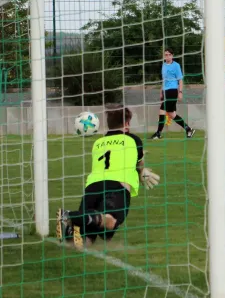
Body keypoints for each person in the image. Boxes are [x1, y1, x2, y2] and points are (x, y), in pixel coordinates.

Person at [56, 104, 161, 248]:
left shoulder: (98, 143)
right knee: (110, 221)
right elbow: (139, 165)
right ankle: (70, 216)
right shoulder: (133, 140)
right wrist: (142, 172)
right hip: (117, 187)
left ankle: (71, 227)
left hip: (92, 187)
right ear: (127, 123)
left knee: (84, 240)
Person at [151, 47, 195, 139]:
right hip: (165, 91)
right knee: (171, 114)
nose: (167, 56)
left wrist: (180, 92)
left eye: (169, 55)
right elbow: (164, 80)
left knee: (162, 110)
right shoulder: (163, 65)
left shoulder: (176, 65)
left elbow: (180, 80)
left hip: (173, 91)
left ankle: (158, 133)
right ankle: (188, 129)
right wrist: (161, 91)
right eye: (165, 55)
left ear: (172, 56)